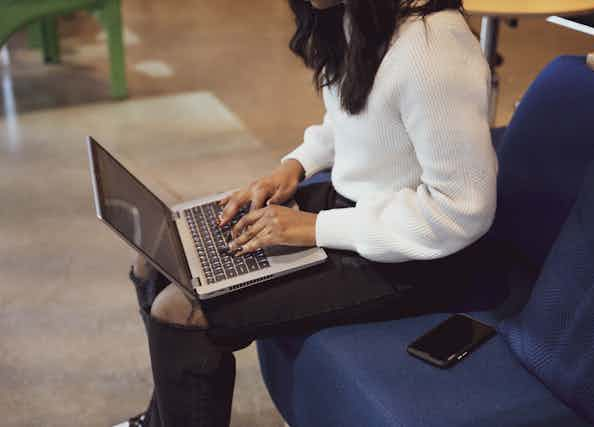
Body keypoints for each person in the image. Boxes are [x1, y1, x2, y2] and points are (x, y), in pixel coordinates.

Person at [121, 0, 498, 425]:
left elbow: (461, 211)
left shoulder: (433, 51)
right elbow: (353, 115)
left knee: (179, 311)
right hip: (359, 214)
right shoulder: (366, 14)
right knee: (157, 255)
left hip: (415, 257)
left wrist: (315, 227)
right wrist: (296, 164)